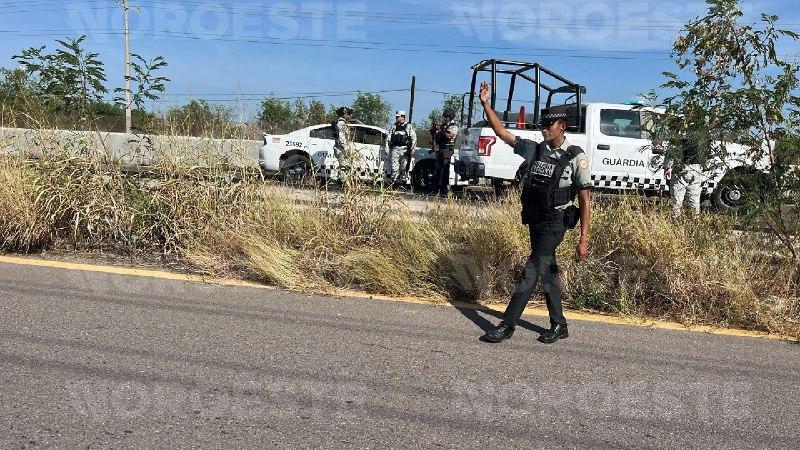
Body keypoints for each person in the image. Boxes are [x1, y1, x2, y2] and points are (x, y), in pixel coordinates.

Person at [476, 81, 592, 344]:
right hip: (535, 219)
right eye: (542, 125)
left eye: (549, 125)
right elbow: (502, 133)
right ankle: (559, 324)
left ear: (562, 126)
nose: (544, 129)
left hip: (556, 222)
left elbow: (585, 199)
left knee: (532, 270)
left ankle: (507, 325)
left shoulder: (576, 157)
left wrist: (583, 238)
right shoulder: (534, 149)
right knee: (547, 270)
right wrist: (486, 104)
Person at [665, 137, 708, 219]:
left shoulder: (680, 131)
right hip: (697, 168)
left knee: (677, 197)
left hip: (682, 167)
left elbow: (672, 149)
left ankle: (675, 220)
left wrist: (667, 166)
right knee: (694, 198)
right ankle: (694, 220)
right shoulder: (702, 132)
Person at [430, 108, 459, 196]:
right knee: (437, 170)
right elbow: (433, 133)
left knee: (445, 170)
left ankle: (444, 190)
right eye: (444, 116)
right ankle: (435, 189)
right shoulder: (443, 126)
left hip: (447, 150)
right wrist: (435, 127)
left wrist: (441, 130)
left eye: (446, 117)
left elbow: (449, 136)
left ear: (450, 117)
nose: (444, 118)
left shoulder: (453, 126)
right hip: (440, 149)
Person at [385, 110, 417, 185]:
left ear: (402, 117)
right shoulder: (393, 126)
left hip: (405, 150)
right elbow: (388, 138)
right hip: (395, 149)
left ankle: (404, 183)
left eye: (397, 117)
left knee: (404, 167)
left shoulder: (409, 126)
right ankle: (394, 182)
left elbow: (414, 138)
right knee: (394, 167)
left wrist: (413, 148)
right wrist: (387, 148)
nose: (396, 118)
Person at [333, 106, 355, 174]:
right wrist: (345, 149)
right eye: (349, 114)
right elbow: (341, 137)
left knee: (346, 168)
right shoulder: (341, 123)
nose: (350, 116)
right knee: (344, 169)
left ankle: (341, 179)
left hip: (342, 150)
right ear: (344, 114)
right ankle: (342, 180)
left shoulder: (344, 123)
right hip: (342, 150)